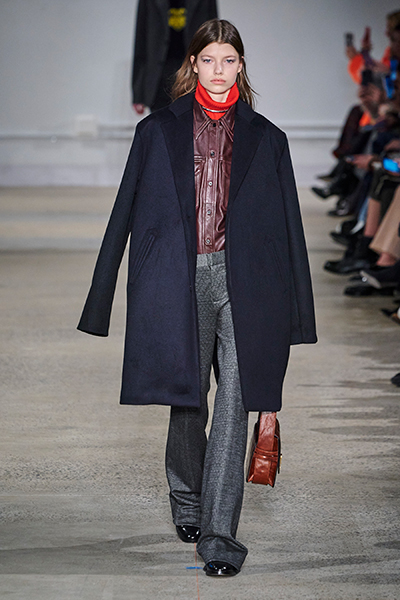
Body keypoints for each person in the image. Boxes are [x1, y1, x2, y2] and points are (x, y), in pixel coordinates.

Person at [78, 19, 317, 577]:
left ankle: (219, 535)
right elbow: (123, 213)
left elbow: (290, 228)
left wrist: (298, 315)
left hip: (247, 285)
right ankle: (186, 498)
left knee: (236, 403)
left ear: (241, 66)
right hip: (179, 279)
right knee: (188, 400)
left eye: (228, 60)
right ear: (192, 64)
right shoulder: (156, 131)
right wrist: (101, 299)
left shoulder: (268, 139)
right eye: (208, 59)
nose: (218, 70)